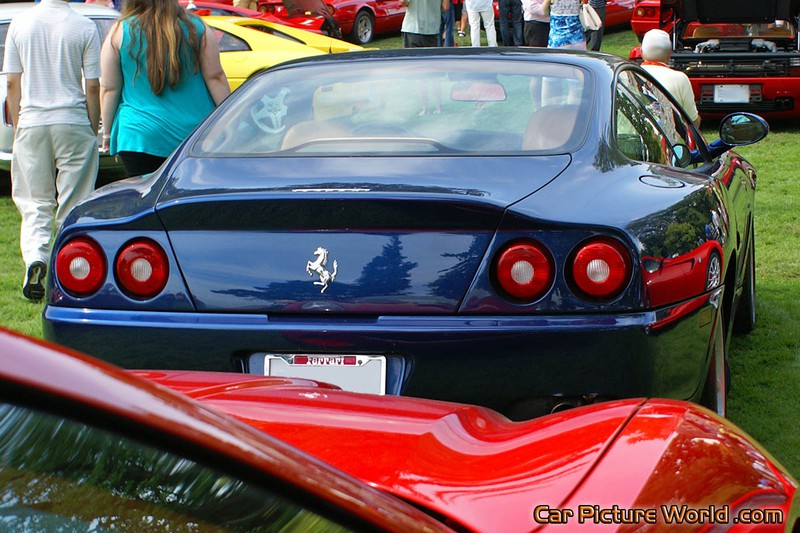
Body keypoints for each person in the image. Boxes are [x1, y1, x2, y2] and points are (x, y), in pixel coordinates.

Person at [4, 0, 102, 301]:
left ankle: (36, 256)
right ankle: (68, 267)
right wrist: (92, 126)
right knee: (74, 200)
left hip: (33, 121)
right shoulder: (85, 26)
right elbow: (93, 86)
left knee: (35, 200)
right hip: (72, 120)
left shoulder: (20, 24)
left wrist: (20, 125)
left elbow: (11, 82)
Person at [100, 0, 230, 178]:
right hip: (193, 136)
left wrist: (107, 134)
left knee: (144, 200)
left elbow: (109, 88)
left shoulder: (119, 31)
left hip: (139, 135)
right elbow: (215, 77)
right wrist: (230, 121)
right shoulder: (198, 28)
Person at [640, 29, 701, 128]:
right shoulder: (680, 78)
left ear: (641, 52)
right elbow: (693, 121)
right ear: (669, 55)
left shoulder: (627, 75)